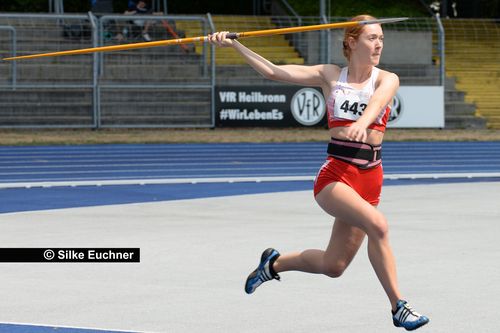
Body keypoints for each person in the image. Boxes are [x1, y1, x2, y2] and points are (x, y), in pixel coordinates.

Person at [208, 15, 430, 331]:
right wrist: (234, 44)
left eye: (381, 38)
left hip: (370, 180)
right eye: (371, 38)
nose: (378, 44)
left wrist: (362, 124)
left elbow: (377, 104)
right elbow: (274, 72)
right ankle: (399, 307)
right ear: (352, 42)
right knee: (378, 226)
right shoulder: (329, 75)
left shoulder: (386, 79)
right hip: (336, 177)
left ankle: (272, 264)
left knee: (334, 265)